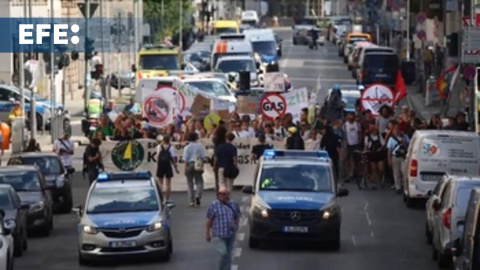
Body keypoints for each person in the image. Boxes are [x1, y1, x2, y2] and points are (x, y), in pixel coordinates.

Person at [206, 185, 241, 270]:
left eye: (224, 194)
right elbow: (209, 220)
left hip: (230, 234)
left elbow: (237, 216)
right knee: (223, 253)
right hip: (219, 234)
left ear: (228, 194)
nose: (221, 195)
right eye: (219, 193)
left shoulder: (234, 204)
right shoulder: (214, 205)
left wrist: (236, 225)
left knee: (228, 256)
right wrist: (207, 233)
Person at [183, 132, 206, 207]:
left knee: (190, 183)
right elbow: (203, 157)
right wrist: (202, 166)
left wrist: (185, 169)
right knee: (199, 181)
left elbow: (185, 160)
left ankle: (191, 201)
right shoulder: (200, 146)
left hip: (189, 164)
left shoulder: (187, 147)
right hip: (197, 164)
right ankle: (198, 195)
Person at [386, 123, 409, 193]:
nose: (397, 131)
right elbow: (389, 150)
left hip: (403, 156)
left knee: (404, 172)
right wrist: (389, 159)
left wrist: (403, 142)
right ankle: (398, 187)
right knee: (396, 172)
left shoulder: (404, 137)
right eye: (395, 129)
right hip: (395, 157)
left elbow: (409, 145)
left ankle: (404, 186)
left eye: (398, 129)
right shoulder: (391, 139)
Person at [156, 135, 179, 201]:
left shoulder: (159, 147)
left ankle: (160, 198)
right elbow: (173, 158)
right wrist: (175, 168)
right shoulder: (171, 148)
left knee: (160, 182)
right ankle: (167, 198)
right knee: (168, 183)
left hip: (161, 165)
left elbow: (158, 156)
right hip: (168, 165)